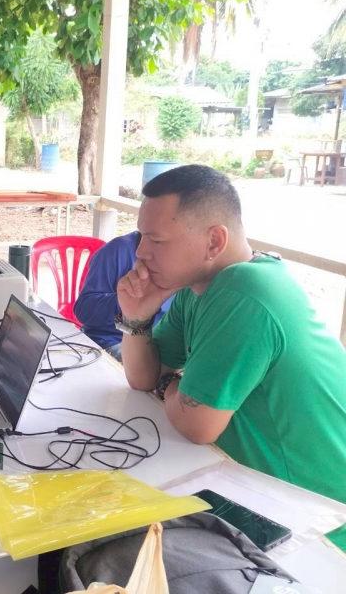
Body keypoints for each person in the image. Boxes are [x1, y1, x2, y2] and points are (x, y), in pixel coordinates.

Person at [116, 165, 346, 520]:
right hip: (254, 490)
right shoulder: (197, 289)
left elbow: (196, 425)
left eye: (156, 240)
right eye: (142, 237)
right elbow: (142, 378)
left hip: (313, 519)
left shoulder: (243, 291)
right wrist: (135, 319)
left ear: (214, 242)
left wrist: (169, 383)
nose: (141, 253)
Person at [74, 231, 172, 362]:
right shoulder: (119, 250)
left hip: (161, 346)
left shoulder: (192, 272)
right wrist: (125, 302)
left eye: (156, 238)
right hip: (113, 342)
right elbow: (84, 310)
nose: (141, 252)